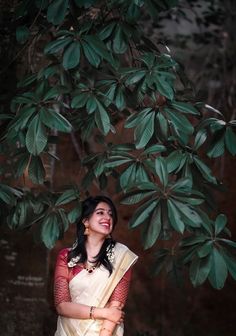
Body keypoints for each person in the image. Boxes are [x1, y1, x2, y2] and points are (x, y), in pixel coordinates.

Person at [54, 195, 138, 336]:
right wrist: (103, 312)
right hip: (68, 331)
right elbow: (62, 306)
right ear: (86, 221)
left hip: (104, 332)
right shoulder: (66, 257)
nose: (108, 217)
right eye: (100, 212)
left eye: (110, 214)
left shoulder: (122, 256)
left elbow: (116, 308)